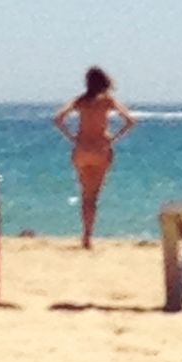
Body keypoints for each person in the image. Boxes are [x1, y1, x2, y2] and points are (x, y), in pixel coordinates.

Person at [53, 67, 136, 248]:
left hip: (82, 149)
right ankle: (88, 235)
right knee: (94, 196)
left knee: (85, 194)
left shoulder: (80, 101)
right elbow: (130, 121)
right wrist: (113, 138)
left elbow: (58, 119)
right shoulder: (107, 101)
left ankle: (85, 235)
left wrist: (72, 137)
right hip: (101, 148)